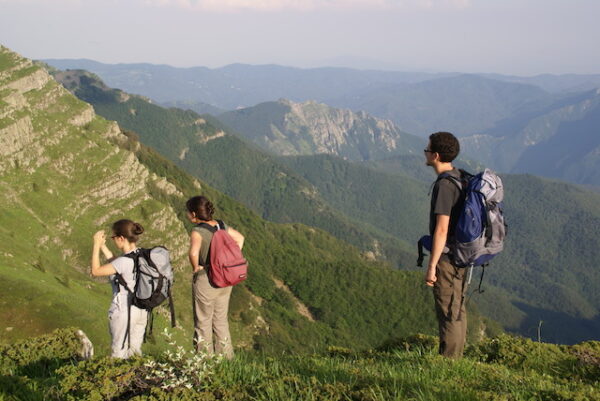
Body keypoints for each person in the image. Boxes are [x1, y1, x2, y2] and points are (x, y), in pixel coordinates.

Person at [423, 131, 467, 358]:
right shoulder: (458, 176)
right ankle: (456, 358)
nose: (425, 153)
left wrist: (432, 266)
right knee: (456, 308)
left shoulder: (444, 186)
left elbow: (441, 228)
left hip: (447, 258)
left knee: (447, 312)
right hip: (461, 255)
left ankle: (449, 364)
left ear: (436, 155)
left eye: (427, 150)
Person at [186, 195, 244, 358]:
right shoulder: (221, 225)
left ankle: (205, 363)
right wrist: (230, 259)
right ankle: (226, 361)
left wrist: (196, 267)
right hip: (226, 279)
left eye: (188, 212)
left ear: (194, 214)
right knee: (220, 321)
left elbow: (193, 253)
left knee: (203, 322)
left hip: (208, 278)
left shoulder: (198, 231)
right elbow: (240, 238)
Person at [91, 219, 148, 359]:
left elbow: (96, 271)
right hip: (141, 309)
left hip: (124, 310)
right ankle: (135, 378)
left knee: (119, 353)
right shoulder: (141, 255)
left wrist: (96, 246)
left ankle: (119, 380)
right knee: (135, 352)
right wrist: (104, 248)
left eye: (114, 237)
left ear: (121, 238)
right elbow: (118, 264)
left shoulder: (124, 261)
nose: (113, 240)